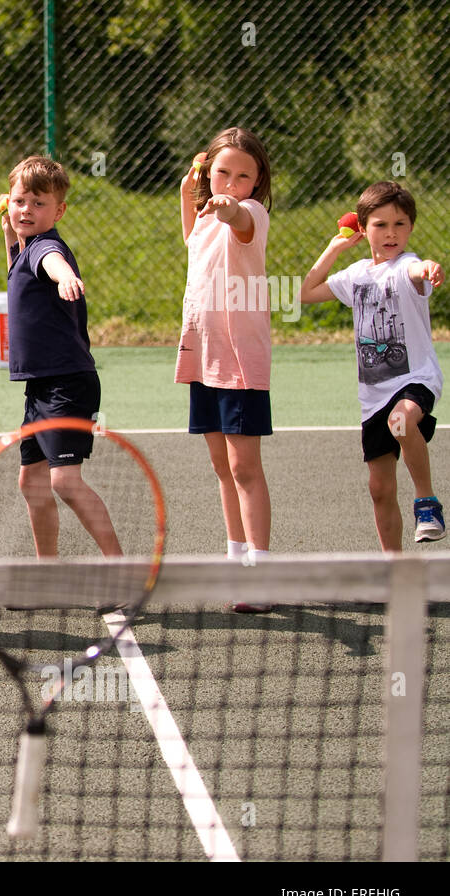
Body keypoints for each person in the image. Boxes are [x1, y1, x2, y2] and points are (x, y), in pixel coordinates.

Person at [299, 181, 445, 549]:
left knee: (401, 420)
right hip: (373, 394)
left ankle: (427, 504)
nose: (391, 233)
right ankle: (393, 570)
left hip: (415, 379)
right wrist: (335, 248)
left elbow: (418, 270)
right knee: (379, 489)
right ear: (363, 229)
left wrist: (429, 268)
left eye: (400, 224)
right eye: (380, 225)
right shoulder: (357, 275)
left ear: (410, 228)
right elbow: (306, 292)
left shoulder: (407, 267)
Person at [0, 156, 122, 564]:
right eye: (19, 201)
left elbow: (50, 262)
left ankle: (124, 569)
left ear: (59, 210)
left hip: (66, 383)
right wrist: (10, 235)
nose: (25, 210)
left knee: (65, 482)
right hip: (43, 386)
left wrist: (65, 275)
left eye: (37, 203)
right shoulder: (24, 249)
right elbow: (20, 265)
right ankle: (47, 572)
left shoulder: (46, 248)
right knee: (31, 481)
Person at [174, 128, 274, 609]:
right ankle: (236, 561)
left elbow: (235, 215)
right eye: (222, 173)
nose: (231, 183)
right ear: (208, 172)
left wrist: (226, 204)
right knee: (221, 466)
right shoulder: (202, 220)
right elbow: (191, 230)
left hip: (239, 361)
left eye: (243, 176)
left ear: (256, 183)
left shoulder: (250, 213)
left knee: (244, 468)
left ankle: (260, 570)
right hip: (202, 357)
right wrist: (192, 185)